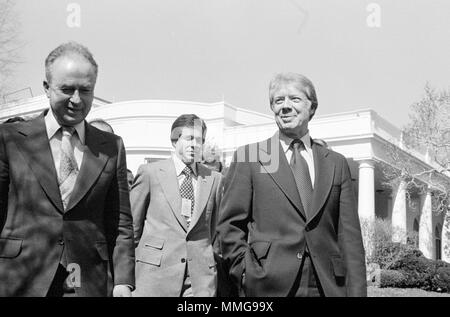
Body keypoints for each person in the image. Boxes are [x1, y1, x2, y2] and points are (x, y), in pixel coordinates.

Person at [0, 42, 135, 297]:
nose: (76, 100)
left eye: (85, 90)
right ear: (46, 88)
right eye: (66, 89)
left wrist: (123, 282)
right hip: (20, 277)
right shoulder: (10, 139)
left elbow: (120, 221)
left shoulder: (111, 146)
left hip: (89, 280)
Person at [216, 72, 367, 297]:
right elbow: (229, 227)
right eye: (278, 101)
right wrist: (246, 272)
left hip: (326, 286)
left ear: (312, 107)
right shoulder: (250, 157)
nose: (285, 106)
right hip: (267, 285)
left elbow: (350, 238)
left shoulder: (336, 163)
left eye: (294, 99)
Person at [131, 114, 222, 297]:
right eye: (189, 138)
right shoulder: (151, 173)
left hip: (198, 283)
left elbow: (214, 231)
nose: (195, 145)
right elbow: (132, 229)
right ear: (174, 141)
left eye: (200, 140)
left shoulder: (214, 179)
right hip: (154, 278)